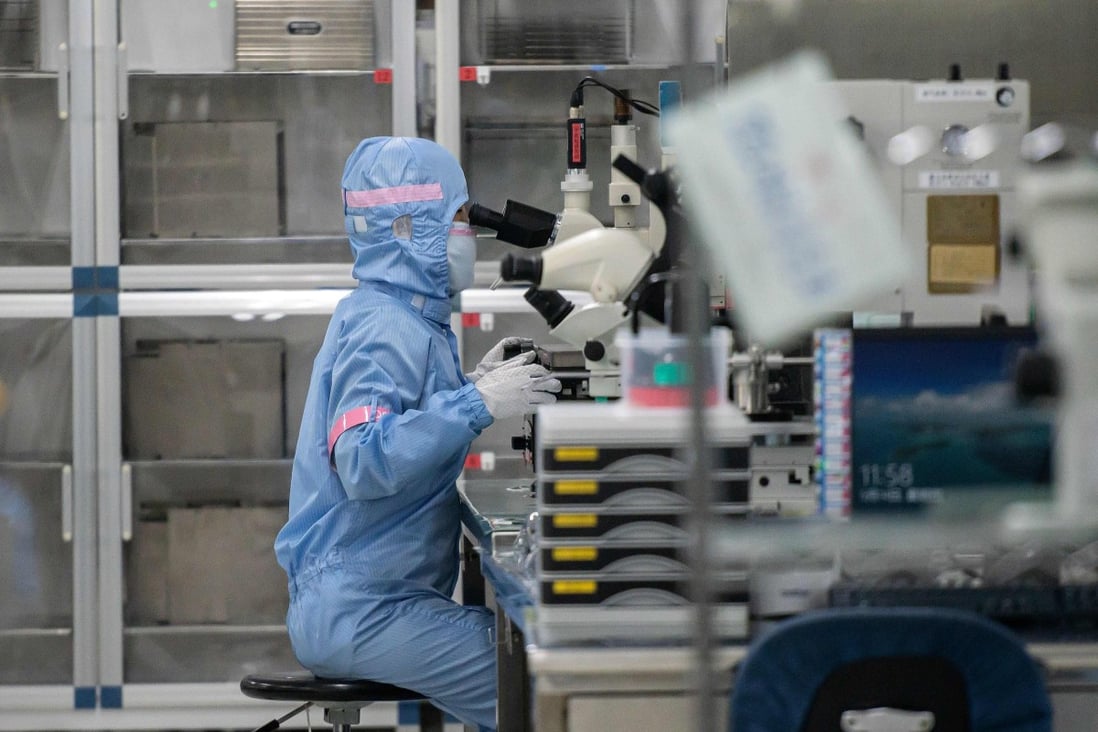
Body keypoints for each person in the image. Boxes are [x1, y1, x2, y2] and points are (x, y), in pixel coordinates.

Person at [274, 136, 560, 730]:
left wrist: (471, 385)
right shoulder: (385, 324)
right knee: (536, 685)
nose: (470, 234)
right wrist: (477, 403)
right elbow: (362, 458)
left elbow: (401, 420)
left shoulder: (400, 318)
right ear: (409, 229)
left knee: (520, 654)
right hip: (361, 609)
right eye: (459, 217)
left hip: (366, 600)